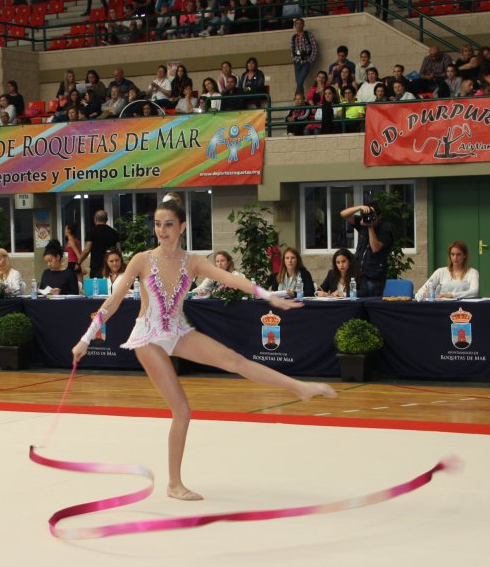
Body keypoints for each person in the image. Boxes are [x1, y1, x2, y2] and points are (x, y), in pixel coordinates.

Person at [71, 198, 335, 501]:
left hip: (177, 331)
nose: (162, 230)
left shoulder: (192, 261)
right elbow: (113, 301)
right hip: (148, 336)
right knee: (182, 410)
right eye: (158, 224)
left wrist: (268, 295)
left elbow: (231, 279)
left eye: (169, 224)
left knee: (235, 360)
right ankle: (174, 483)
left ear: (182, 226)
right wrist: (86, 338)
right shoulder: (142, 260)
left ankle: (299, 387)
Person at [339, 201, 393, 297]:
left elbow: (375, 248)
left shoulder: (385, 228)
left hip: (373, 276)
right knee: (354, 298)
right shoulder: (363, 221)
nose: (368, 217)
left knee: (367, 299)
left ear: (378, 216)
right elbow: (343, 214)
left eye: (372, 214)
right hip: (358, 274)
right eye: (367, 214)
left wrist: (370, 227)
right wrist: (359, 208)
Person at [82, 210, 121, 278]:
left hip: (96, 266)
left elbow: (87, 250)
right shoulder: (114, 232)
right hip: (110, 266)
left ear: (95, 219)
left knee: (96, 287)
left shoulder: (91, 232)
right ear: (106, 220)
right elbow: (119, 250)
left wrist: (79, 261)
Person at [289, 18, 319, 95]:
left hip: (306, 61)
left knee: (300, 81)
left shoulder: (308, 35)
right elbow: (292, 50)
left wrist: (310, 59)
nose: (299, 25)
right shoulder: (294, 37)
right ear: (295, 26)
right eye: (297, 24)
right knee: (299, 82)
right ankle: (301, 98)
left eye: (300, 23)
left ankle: (297, 97)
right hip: (297, 61)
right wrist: (294, 59)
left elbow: (314, 48)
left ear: (303, 25)